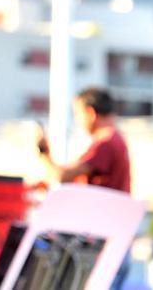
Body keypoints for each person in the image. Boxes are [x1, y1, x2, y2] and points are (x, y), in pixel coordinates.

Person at [36, 86, 132, 289]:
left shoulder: (105, 143)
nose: (77, 121)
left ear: (91, 113)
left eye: (78, 114)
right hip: (113, 239)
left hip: (100, 244)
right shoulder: (116, 140)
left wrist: (44, 154)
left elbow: (61, 176)